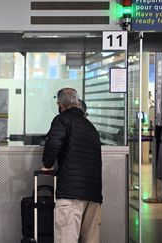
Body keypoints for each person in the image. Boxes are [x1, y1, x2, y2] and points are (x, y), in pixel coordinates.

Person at [42, 88, 102, 243]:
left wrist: (47, 165)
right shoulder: (90, 126)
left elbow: (53, 144)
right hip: (93, 195)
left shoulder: (62, 120)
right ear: (77, 102)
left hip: (71, 193)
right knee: (91, 239)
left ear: (59, 104)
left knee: (66, 238)